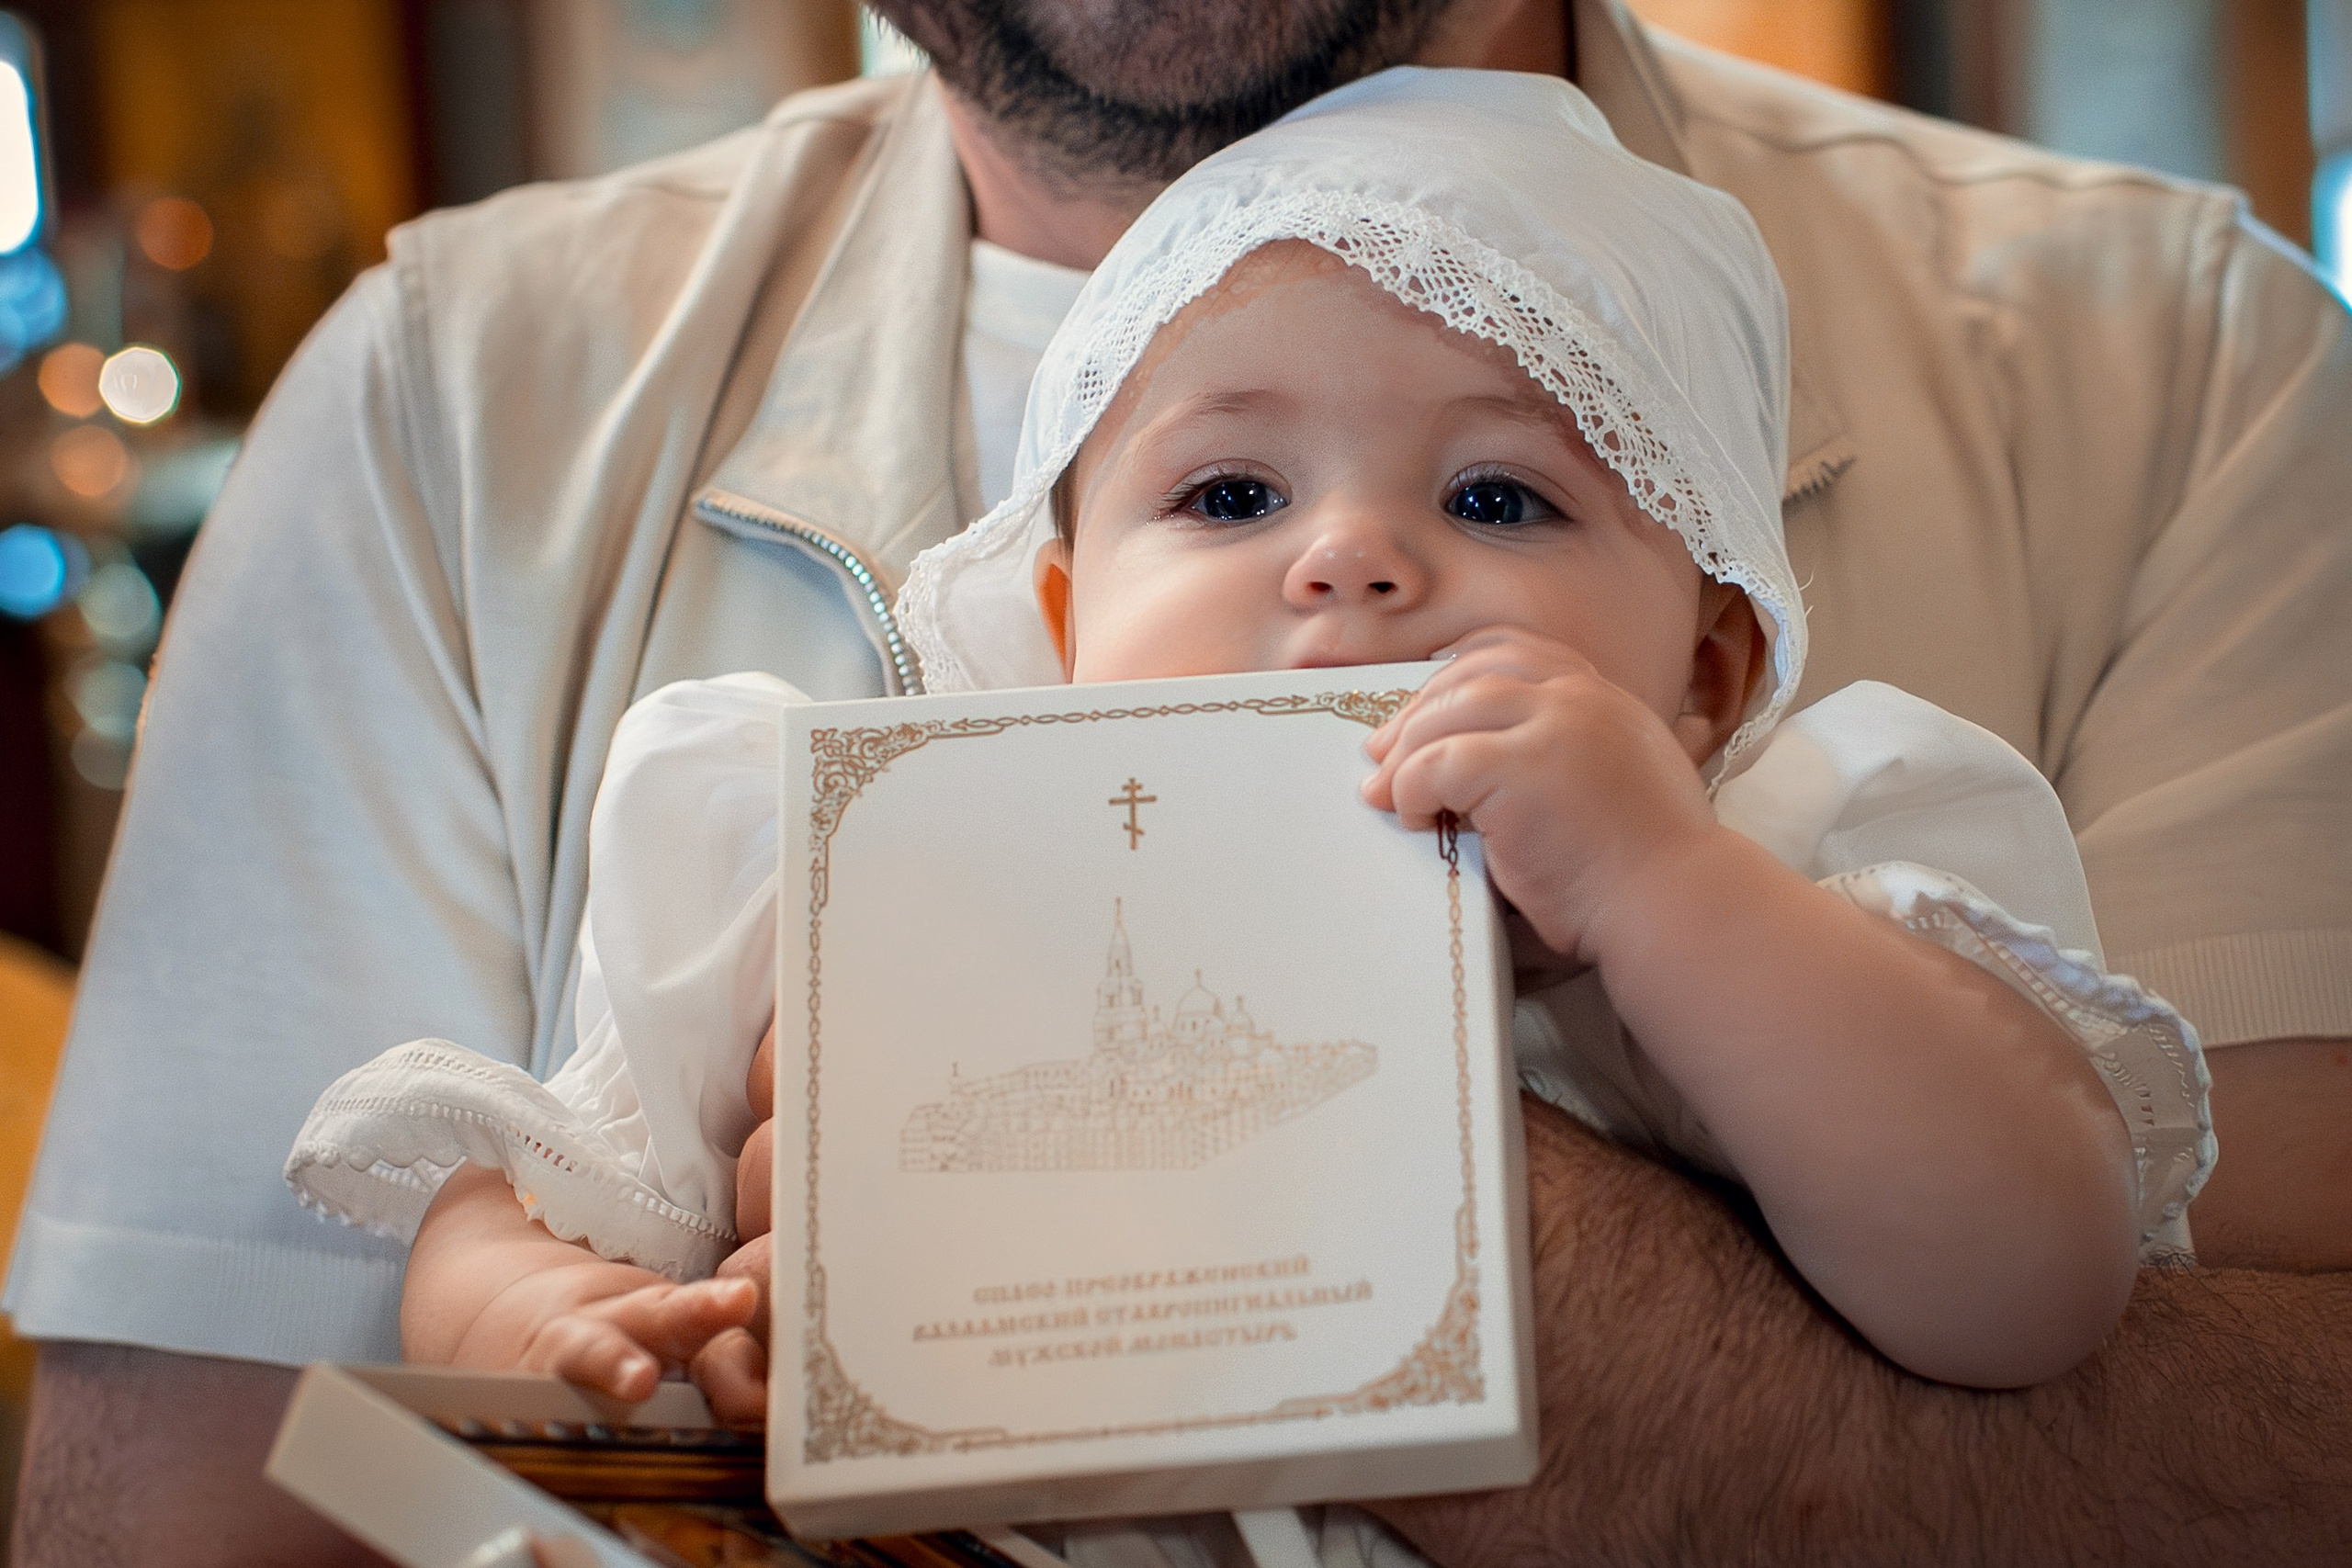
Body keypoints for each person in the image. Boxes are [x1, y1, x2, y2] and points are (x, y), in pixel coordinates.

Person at [7, 3, 2347, 1563]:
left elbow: (2110, 1310)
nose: (1348, 562)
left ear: (1722, 652)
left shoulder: (2142, 423)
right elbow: (382, 1342)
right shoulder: (485, 454)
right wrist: (541, 1311)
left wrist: (1157, 1197)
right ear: (1023, 625)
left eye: (1507, 499)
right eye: (1221, 499)